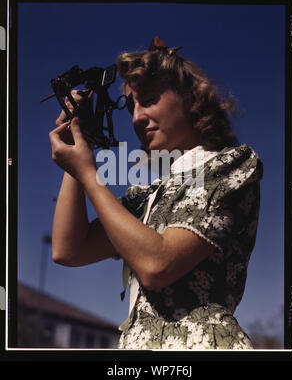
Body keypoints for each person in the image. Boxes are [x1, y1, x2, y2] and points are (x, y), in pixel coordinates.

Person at [49, 36, 263, 350]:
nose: (136, 117)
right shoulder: (146, 194)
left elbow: (157, 265)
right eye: (130, 105)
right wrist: (80, 150)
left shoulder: (231, 163)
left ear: (192, 99)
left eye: (148, 99)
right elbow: (69, 250)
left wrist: (89, 175)